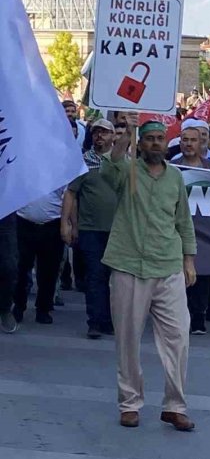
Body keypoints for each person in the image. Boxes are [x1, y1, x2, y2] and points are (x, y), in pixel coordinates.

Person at [101, 117, 197, 431]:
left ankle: (175, 406)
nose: (155, 143)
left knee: (178, 337)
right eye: (149, 138)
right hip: (129, 264)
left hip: (168, 265)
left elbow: (184, 220)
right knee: (128, 339)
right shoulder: (127, 171)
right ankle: (130, 403)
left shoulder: (175, 177)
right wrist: (127, 132)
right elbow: (111, 163)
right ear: (140, 144)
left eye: (160, 138)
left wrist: (189, 260)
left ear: (166, 143)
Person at [62, 118, 117, 339]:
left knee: (116, 279)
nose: (99, 136)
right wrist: (66, 223)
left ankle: (109, 321)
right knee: (95, 276)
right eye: (96, 132)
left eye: (104, 132)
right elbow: (71, 193)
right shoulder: (84, 162)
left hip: (118, 231)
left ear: (113, 136)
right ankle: (94, 322)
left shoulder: (123, 163)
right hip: (90, 229)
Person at [170, 126, 210, 336]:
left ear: (201, 143)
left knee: (203, 272)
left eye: (193, 140)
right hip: (177, 225)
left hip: (205, 228)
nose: (189, 144)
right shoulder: (171, 167)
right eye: (185, 140)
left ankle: (198, 317)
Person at [13, 186, 65, 325]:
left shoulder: (60, 175)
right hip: (24, 222)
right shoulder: (24, 174)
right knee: (21, 268)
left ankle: (43, 309)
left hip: (52, 224)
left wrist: (67, 224)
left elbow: (68, 197)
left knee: (49, 270)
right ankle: (18, 306)